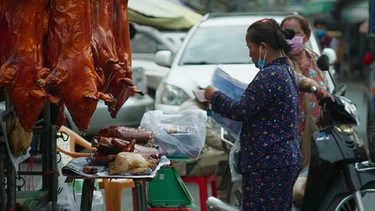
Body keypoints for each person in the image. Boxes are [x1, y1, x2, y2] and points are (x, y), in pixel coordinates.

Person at [204, 18, 302, 210]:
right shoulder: (285, 70)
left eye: (250, 47)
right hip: (279, 160)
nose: (249, 54)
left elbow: (241, 110)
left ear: (263, 47)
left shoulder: (271, 75)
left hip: (268, 163)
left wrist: (214, 95)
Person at [281, 14, 334, 168]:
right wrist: (314, 86)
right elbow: (295, 78)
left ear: (307, 35)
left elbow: (327, 86)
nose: (289, 38)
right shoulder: (281, 60)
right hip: (290, 136)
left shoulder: (314, 57)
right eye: (285, 34)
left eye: (294, 33)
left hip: (317, 133)